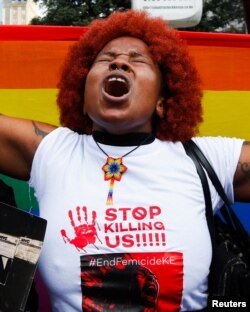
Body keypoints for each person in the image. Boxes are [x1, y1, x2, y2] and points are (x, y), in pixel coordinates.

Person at [0, 9, 249, 311]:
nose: (119, 62)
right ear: (82, 90)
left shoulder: (210, 159)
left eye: (138, 59)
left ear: (162, 100)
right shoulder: (50, 151)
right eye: (106, 59)